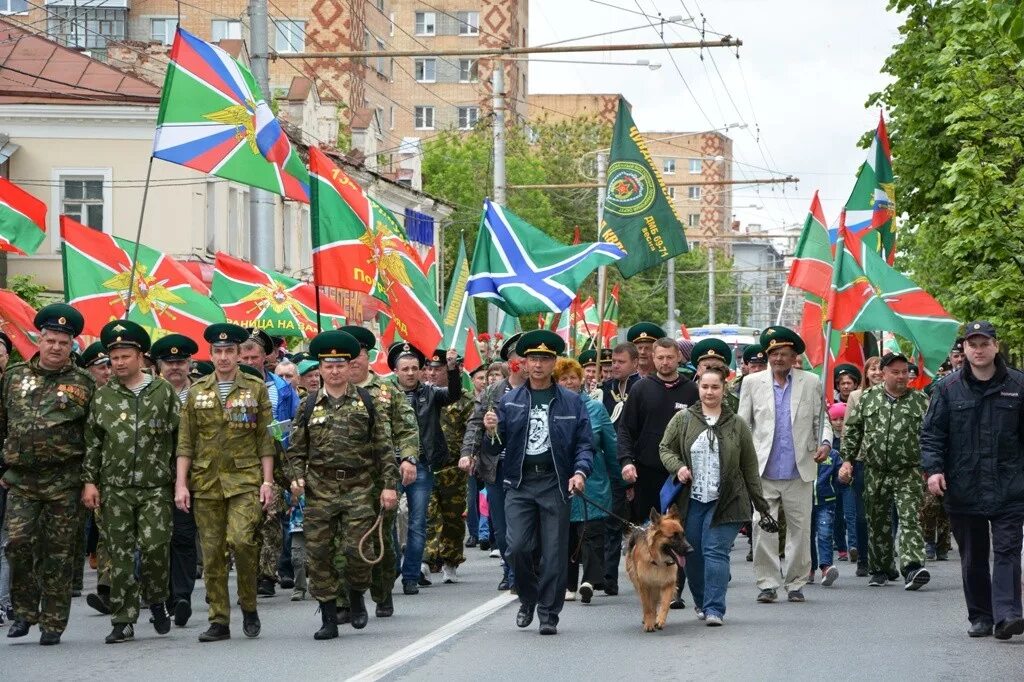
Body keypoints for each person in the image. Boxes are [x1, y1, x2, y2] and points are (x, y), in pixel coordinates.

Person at [287, 330, 399, 640]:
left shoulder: (366, 402)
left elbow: (383, 448)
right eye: (328, 366)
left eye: (340, 365)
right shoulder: (308, 405)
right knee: (319, 553)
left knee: (357, 550)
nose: (334, 371)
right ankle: (328, 617)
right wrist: (295, 478)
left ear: (349, 368)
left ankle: (356, 595)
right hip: (319, 488)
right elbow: (295, 451)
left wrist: (389, 486)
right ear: (320, 369)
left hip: (359, 486)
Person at [483, 330, 593, 635]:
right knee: (517, 547)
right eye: (533, 358)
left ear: (553, 362)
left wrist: (580, 472)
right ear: (523, 362)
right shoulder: (510, 401)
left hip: (555, 484)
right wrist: (491, 430)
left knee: (554, 555)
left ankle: (548, 613)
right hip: (519, 484)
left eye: (545, 359)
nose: (538, 364)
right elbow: (494, 448)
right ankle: (528, 599)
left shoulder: (571, 402)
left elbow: (585, 443)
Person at [922, 321, 1024, 639]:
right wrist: (934, 469)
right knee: (973, 555)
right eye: (972, 345)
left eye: (984, 344)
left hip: (1010, 485)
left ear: (995, 346)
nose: (978, 350)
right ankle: (981, 615)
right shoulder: (948, 388)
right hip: (964, 485)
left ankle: (1008, 615)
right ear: (964, 350)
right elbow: (933, 434)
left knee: (1008, 550)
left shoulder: (1018, 385)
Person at [175, 322, 276, 643]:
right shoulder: (196, 391)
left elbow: (266, 439)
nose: (223, 357)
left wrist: (268, 482)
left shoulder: (254, 388)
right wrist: (181, 484)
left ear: (237, 353)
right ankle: (219, 618)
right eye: (217, 352)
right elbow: (185, 443)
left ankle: (248, 605)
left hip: (245, 480)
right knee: (213, 552)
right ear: (210, 354)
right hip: (205, 483)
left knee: (243, 541)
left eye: (229, 351)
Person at [81, 320, 180, 644]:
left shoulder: (162, 392)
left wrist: (181, 481)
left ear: (141, 356)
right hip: (115, 488)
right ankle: (123, 619)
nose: (119, 363)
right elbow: (93, 443)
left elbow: (181, 439)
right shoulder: (103, 397)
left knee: (154, 548)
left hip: (155, 487)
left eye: (125, 356)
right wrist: (90, 482)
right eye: (114, 357)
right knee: (119, 555)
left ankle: (156, 600)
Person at [2, 305, 94, 646]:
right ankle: (25, 612)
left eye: (63, 342)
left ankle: (53, 622)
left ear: (72, 344)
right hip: (21, 480)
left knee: (58, 552)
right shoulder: (13, 377)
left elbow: (92, 437)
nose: (56, 347)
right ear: (39, 339)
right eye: (50, 340)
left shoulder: (82, 383)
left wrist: (89, 480)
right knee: (17, 544)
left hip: (64, 481)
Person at [659, 365, 771, 626]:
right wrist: (679, 468)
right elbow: (665, 448)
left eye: (715, 387)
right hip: (691, 500)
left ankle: (714, 609)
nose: (709, 392)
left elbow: (750, 468)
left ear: (724, 388)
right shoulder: (683, 419)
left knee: (715, 551)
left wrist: (761, 505)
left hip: (728, 500)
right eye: (705, 387)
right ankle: (701, 600)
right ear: (698, 387)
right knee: (693, 553)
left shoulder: (737, 425)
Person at [738, 326, 832, 604]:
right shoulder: (752, 383)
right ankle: (767, 583)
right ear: (767, 355)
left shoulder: (811, 382)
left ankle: (795, 583)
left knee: (799, 530)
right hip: (763, 470)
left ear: (794, 358)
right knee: (762, 527)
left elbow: (822, 422)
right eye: (774, 353)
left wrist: (825, 444)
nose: (779, 358)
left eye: (786, 354)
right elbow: (743, 426)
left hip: (799, 469)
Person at [338, 326, 417, 619]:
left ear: (366, 355)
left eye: (357, 354)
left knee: (380, 536)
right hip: (341, 479)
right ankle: (346, 600)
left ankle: (383, 592)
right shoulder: (331, 391)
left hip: (379, 476)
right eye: (347, 356)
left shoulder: (387, 390)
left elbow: (407, 428)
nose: (353, 361)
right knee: (343, 539)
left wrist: (408, 459)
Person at [619, 337, 699, 609]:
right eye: (660, 357)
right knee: (649, 532)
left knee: (677, 533)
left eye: (670, 357)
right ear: (653, 359)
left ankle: (674, 588)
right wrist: (627, 461)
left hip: (680, 476)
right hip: (647, 472)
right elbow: (626, 430)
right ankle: (647, 580)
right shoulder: (641, 389)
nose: (665, 362)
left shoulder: (692, 391)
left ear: (679, 357)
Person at [839, 353, 930, 591]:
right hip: (874, 470)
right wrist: (847, 461)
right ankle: (880, 568)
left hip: (908, 470)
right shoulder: (868, 398)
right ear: (884, 373)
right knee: (877, 520)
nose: (901, 377)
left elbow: (930, 437)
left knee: (910, 518)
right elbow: (854, 431)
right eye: (896, 372)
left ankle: (912, 567)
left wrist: (932, 468)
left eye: (905, 372)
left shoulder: (920, 400)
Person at [388, 342, 461, 595]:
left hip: (422, 466)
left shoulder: (431, 393)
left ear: (421, 371)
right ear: (395, 371)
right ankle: (392, 566)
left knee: (418, 523)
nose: (410, 373)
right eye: (405, 368)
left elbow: (453, 394)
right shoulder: (384, 395)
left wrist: (452, 369)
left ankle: (411, 575)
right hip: (391, 465)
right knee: (388, 520)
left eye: (415, 368)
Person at [460, 334, 526, 592]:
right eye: (517, 359)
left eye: (526, 358)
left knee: (523, 523)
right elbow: (475, 425)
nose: (522, 363)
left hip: (526, 467)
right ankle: (510, 570)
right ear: (509, 363)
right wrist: (468, 453)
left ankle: (525, 568)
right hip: (496, 467)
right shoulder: (492, 393)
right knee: (501, 524)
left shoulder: (538, 389)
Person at [554, 358, 619, 605]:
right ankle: (568, 583)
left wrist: (621, 478)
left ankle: (589, 581)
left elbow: (611, 445)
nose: (569, 382)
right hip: (562, 481)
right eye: (563, 378)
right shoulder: (553, 407)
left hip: (594, 479)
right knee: (567, 535)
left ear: (581, 379)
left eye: (573, 377)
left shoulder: (595, 408)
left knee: (592, 532)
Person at [240, 328, 299, 598]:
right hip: (241, 461)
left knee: (271, 515)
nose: (250, 362)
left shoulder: (282, 388)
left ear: (266, 357)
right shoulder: (232, 385)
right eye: (246, 357)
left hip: (275, 458)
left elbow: (296, 423)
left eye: (255, 357)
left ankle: (266, 574)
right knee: (246, 520)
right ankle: (247, 571)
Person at [150, 333, 200, 627]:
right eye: (169, 362)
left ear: (190, 364)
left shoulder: (201, 393)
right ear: (159, 366)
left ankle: (182, 596)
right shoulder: (149, 394)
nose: (175, 368)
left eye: (180, 361)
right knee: (157, 540)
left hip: (194, 479)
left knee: (183, 536)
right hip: (154, 477)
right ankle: (162, 595)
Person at [425, 349, 475, 585]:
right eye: (430, 368)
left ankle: (450, 560)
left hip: (454, 468)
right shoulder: (423, 395)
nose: (432, 373)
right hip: (428, 465)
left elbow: (470, 433)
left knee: (453, 518)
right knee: (427, 513)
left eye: (438, 368)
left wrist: (469, 456)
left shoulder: (464, 399)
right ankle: (426, 559)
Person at [73, 340, 111, 596]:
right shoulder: (81, 397)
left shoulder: (118, 394)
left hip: (113, 472)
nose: (107, 371)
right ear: (88, 370)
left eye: (109, 365)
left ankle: (108, 587)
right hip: (84, 471)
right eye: (101, 367)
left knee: (108, 529)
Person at [842, 356, 881, 577]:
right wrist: (848, 460)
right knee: (862, 514)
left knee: (887, 513)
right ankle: (864, 559)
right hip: (863, 460)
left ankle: (882, 559)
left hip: (888, 463)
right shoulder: (857, 397)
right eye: (872, 369)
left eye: (879, 368)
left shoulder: (894, 395)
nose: (876, 372)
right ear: (865, 373)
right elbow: (849, 430)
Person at [809, 412, 842, 588]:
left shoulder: (833, 454)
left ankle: (826, 568)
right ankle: (809, 568)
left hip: (826, 501)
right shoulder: (801, 451)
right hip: (804, 501)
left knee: (824, 533)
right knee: (806, 535)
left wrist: (845, 476)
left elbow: (840, 478)